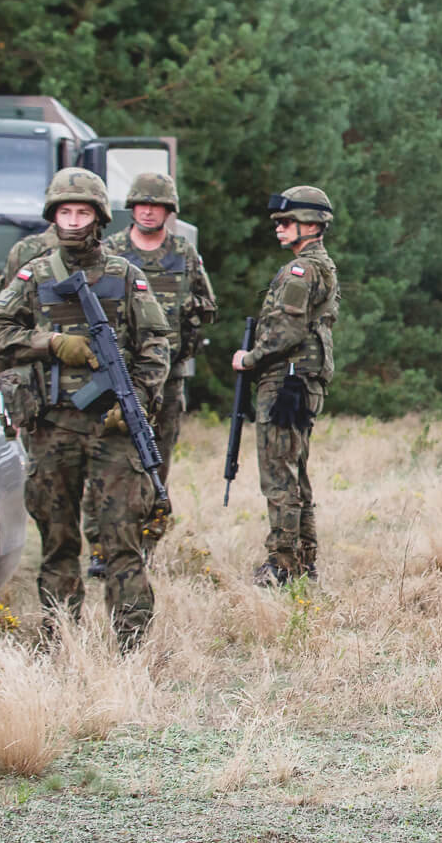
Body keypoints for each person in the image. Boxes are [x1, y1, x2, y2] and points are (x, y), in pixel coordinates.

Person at [0, 168, 171, 648]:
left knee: (122, 541)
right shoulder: (35, 274)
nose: (71, 221)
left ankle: (133, 646)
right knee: (58, 542)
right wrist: (52, 343)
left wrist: (139, 403)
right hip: (52, 426)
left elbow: (155, 347)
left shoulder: (125, 276)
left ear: (98, 217)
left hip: (111, 429)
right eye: (64, 212)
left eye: (81, 212)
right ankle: (58, 638)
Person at [232, 186, 340, 586]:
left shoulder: (302, 270)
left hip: (287, 381)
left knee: (279, 473)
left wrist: (250, 358)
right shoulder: (316, 265)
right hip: (300, 380)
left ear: (311, 225)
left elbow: (287, 329)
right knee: (294, 470)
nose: (279, 229)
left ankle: (282, 564)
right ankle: (302, 559)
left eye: (286, 222)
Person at [106, 173, 216, 455]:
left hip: (170, 376)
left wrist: (182, 312)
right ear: (132, 207)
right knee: (120, 456)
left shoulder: (183, 252)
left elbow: (208, 305)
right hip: (124, 373)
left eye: (156, 205)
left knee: (160, 455)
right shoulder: (111, 251)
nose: (148, 210)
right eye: (142, 204)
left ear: (168, 210)